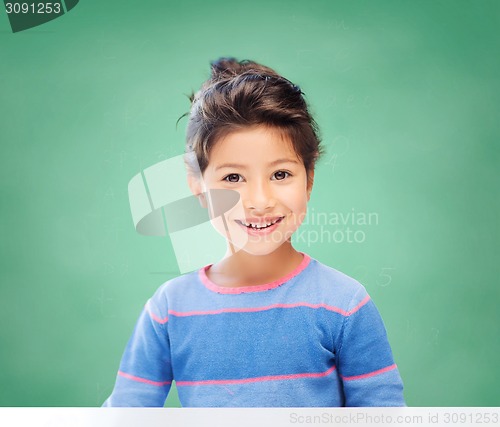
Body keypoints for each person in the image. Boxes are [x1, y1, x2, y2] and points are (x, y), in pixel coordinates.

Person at [102, 58, 405, 407]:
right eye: (233, 178)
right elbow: (127, 410)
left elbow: (383, 413)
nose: (259, 202)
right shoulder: (171, 309)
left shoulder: (345, 304)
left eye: (280, 175)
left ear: (309, 180)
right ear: (199, 189)